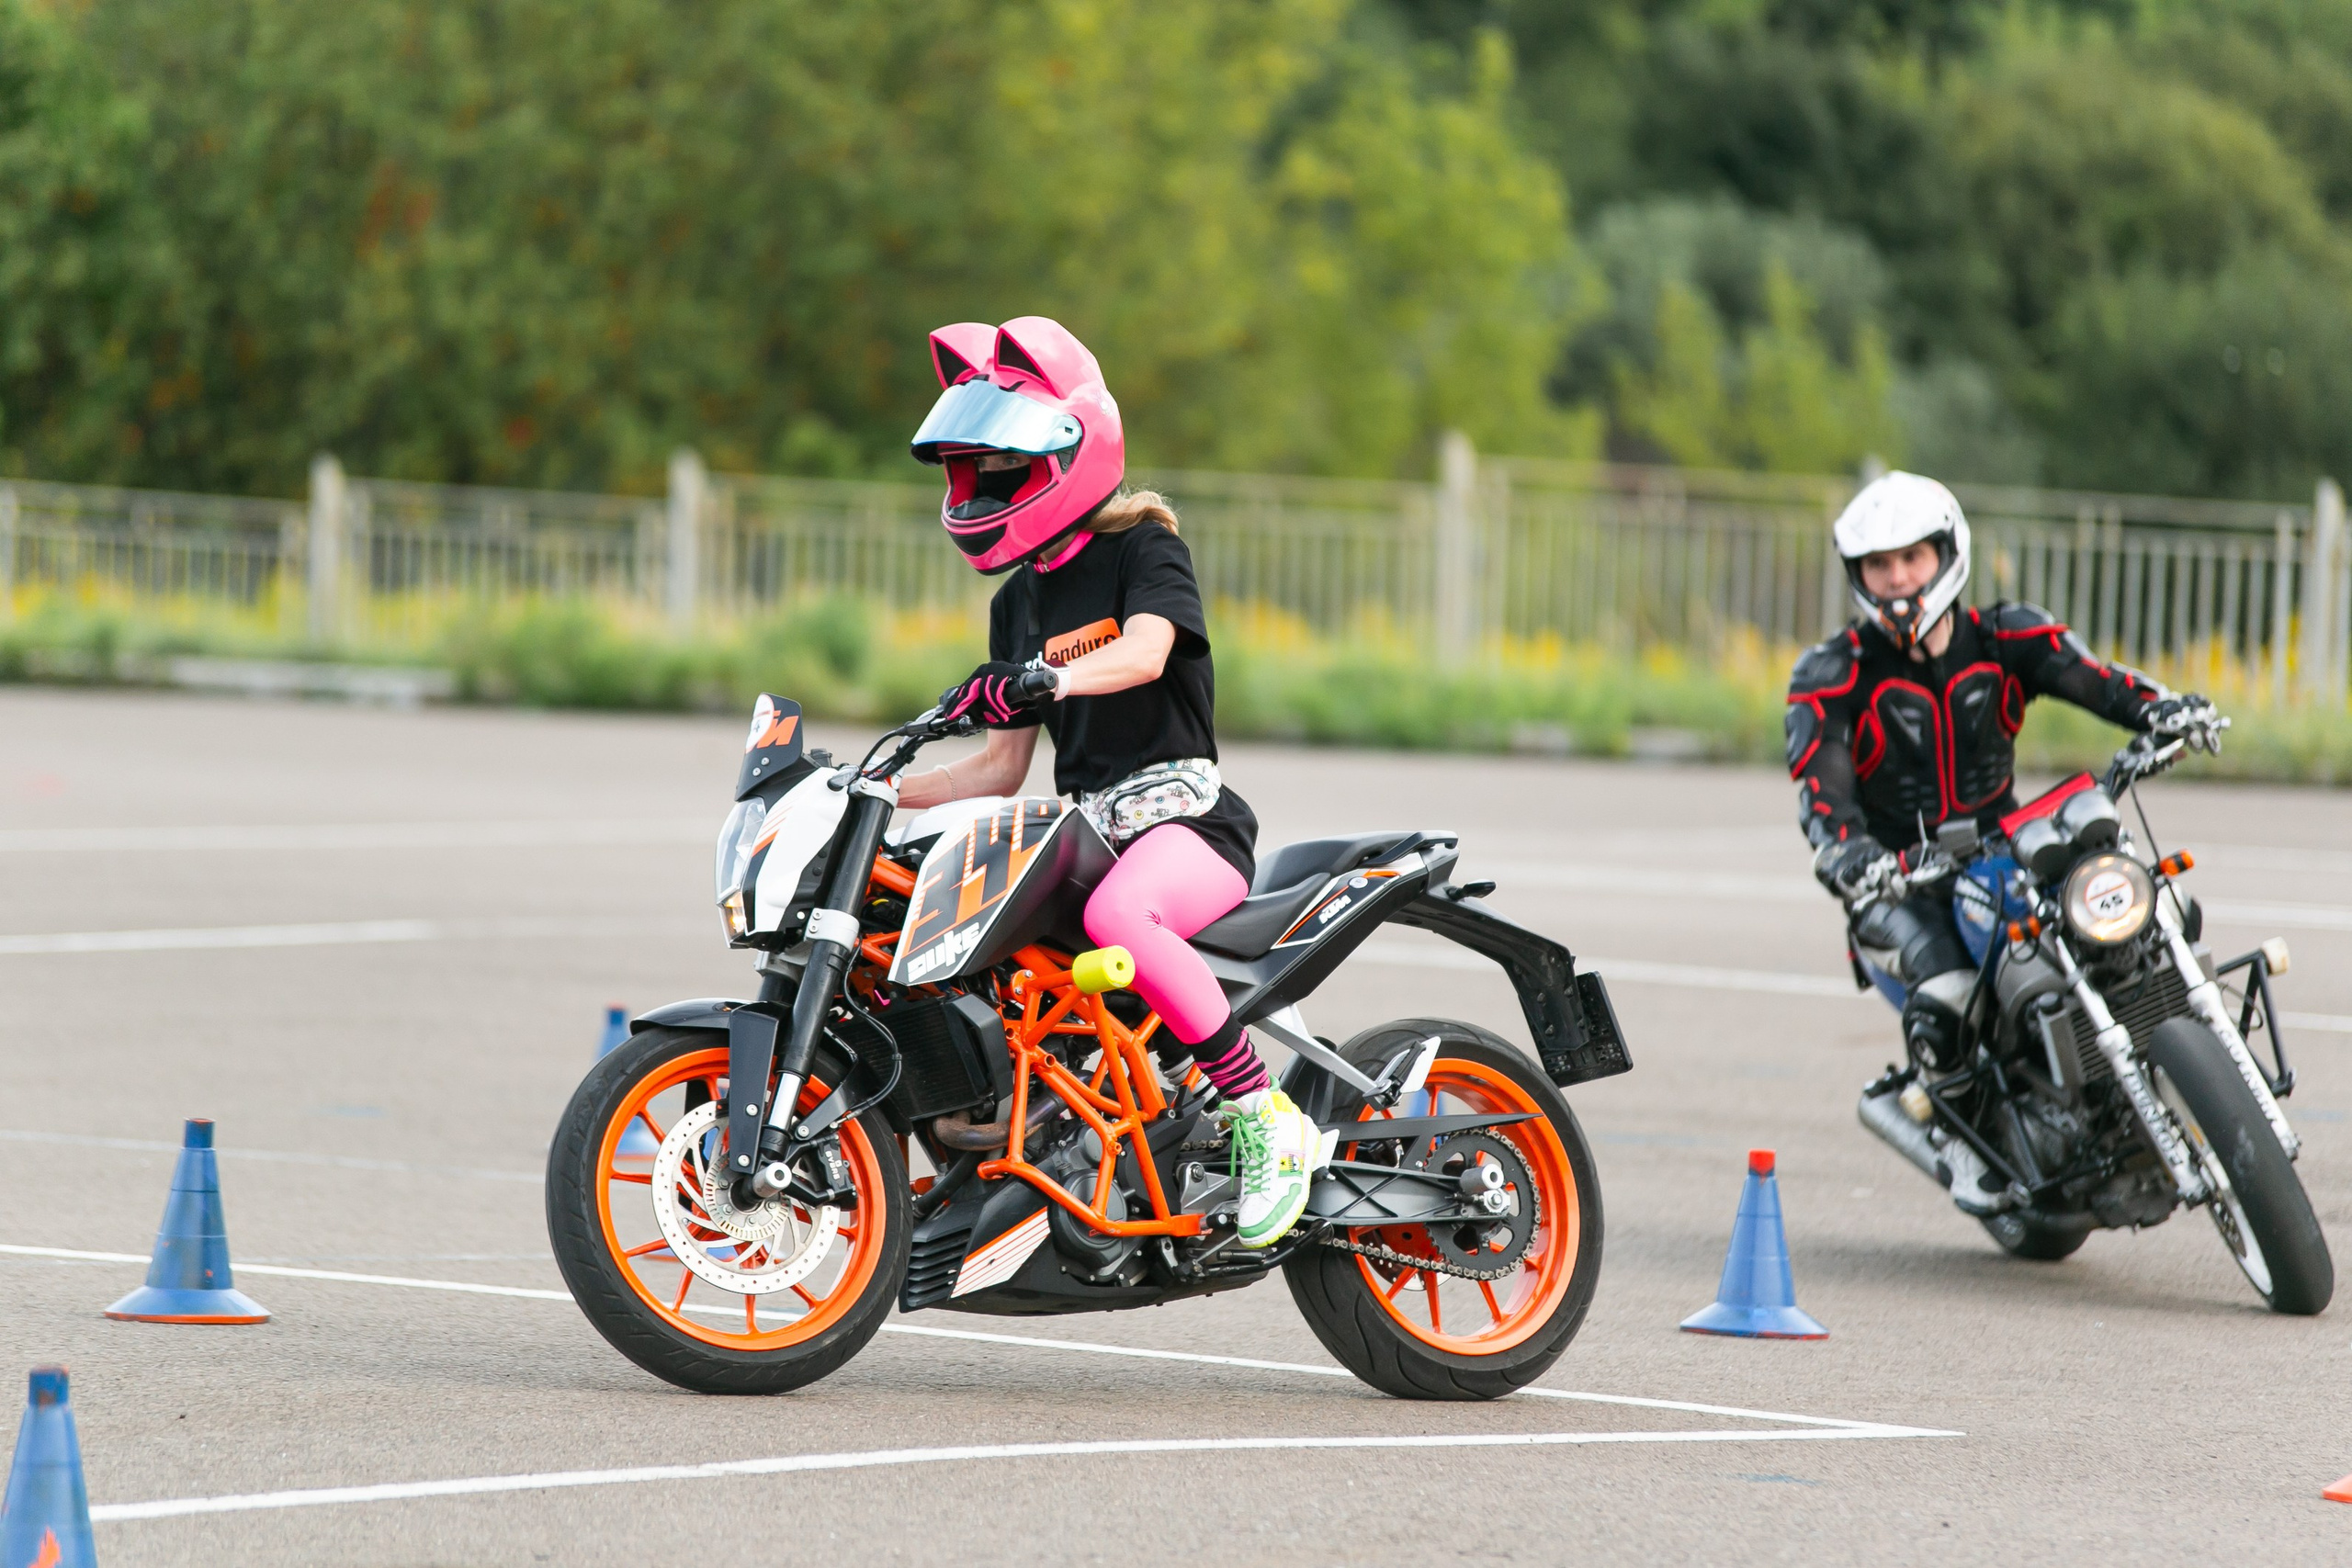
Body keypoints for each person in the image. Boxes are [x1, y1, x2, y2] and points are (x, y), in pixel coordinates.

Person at [896, 315, 1329, 1248]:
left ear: (1072, 452)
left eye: (1005, 463)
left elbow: (1143, 654)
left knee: (1119, 920)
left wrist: (1045, 677)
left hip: (1188, 822)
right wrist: (880, 794)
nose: (987, 483)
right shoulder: (1016, 603)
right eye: (978, 466)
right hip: (1087, 828)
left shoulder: (1143, 548)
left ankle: (1267, 1118)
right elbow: (1002, 768)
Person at [1785, 470, 2225, 1213]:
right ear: (1857, 575)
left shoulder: (2004, 635)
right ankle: (1963, 1134)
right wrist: (1849, 855)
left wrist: (2165, 711)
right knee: (1946, 993)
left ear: (1946, 555)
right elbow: (1821, 792)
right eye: (1878, 566)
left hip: (2005, 849)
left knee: (2144, 906)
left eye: (1912, 558)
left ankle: (2190, 1049)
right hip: (1904, 881)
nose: (1897, 580)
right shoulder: (1833, 675)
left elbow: (2097, 680)